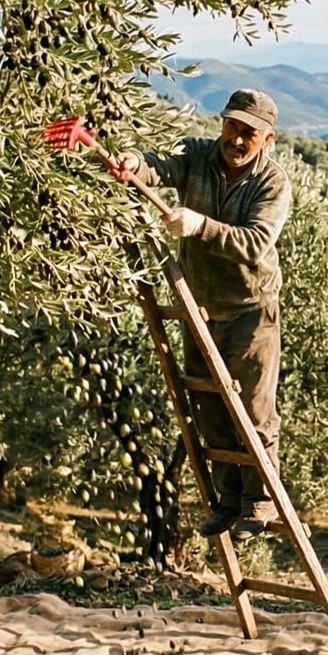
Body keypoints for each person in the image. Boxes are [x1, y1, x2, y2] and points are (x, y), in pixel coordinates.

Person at [107, 89, 290, 537]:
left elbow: (254, 244)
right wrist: (134, 162)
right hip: (201, 306)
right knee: (208, 403)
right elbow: (159, 163)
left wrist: (199, 225)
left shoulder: (273, 184)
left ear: (266, 139)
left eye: (249, 132)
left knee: (252, 407)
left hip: (251, 310)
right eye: (232, 126)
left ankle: (260, 501)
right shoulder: (196, 154)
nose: (237, 138)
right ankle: (229, 499)